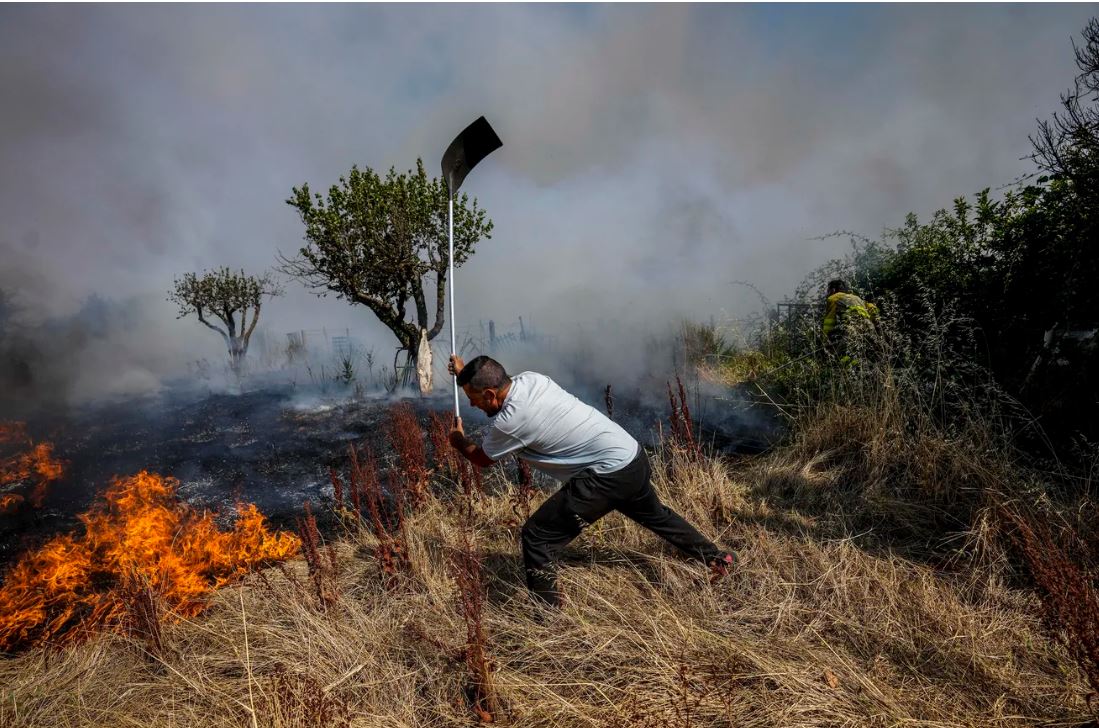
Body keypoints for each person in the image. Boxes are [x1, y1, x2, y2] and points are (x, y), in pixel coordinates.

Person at [447, 354, 734, 607]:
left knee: (537, 536)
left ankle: (546, 620)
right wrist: (463, 374)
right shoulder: (531, 379)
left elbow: (483, 459)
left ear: (489, 394)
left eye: (474, 399)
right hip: (630, 455)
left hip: (607, 474)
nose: (472, 405)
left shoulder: (510, 421)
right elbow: (491, 380)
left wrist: (458, 440)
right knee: (656, 516)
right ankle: (717, 557)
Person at [822, 279, 879, 366]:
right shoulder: (856, 297)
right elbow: (872, 307)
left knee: (837, 359)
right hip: (870, 328)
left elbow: (830, 321)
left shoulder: (833, 298)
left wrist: (825, 339)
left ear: (833, 290)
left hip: (853, 330)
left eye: (828, 290)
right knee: (866, 357)